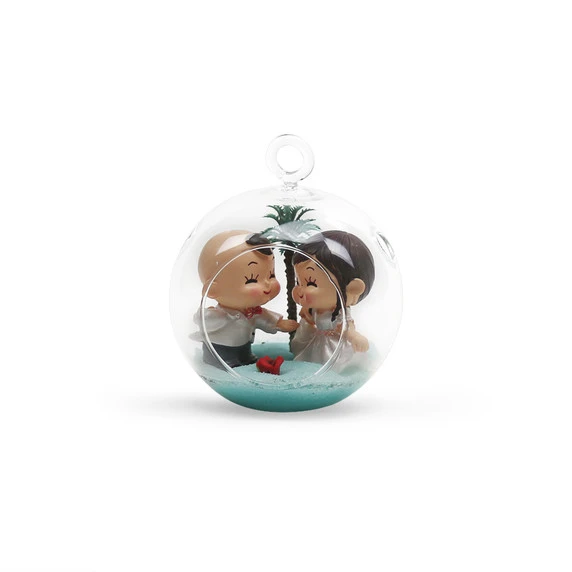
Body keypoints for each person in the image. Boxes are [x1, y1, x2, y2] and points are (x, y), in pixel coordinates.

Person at [191, 230, 298, 368]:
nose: (267, 285)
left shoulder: (254, 312)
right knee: (225, 357)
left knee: (245, 354)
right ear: (212, 290)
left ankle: (245, 356)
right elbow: (200, 319)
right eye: (251, 280)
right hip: (221, 347)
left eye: (271, 275)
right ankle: (221, 360)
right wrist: (206, 316)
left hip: (244, 344)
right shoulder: (219, 315)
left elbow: (264, 318)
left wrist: (279, 323)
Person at [290, 231, 374, 370]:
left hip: (333, 345)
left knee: (332, 365)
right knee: (310, 361)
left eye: (311, 283)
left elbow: (347, 326)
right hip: (317, 342)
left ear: (352, 289)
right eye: (299, 282)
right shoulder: (313, 309)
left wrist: (353, 336)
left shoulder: (341, 312)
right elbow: (309, 322)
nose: (299, 290)